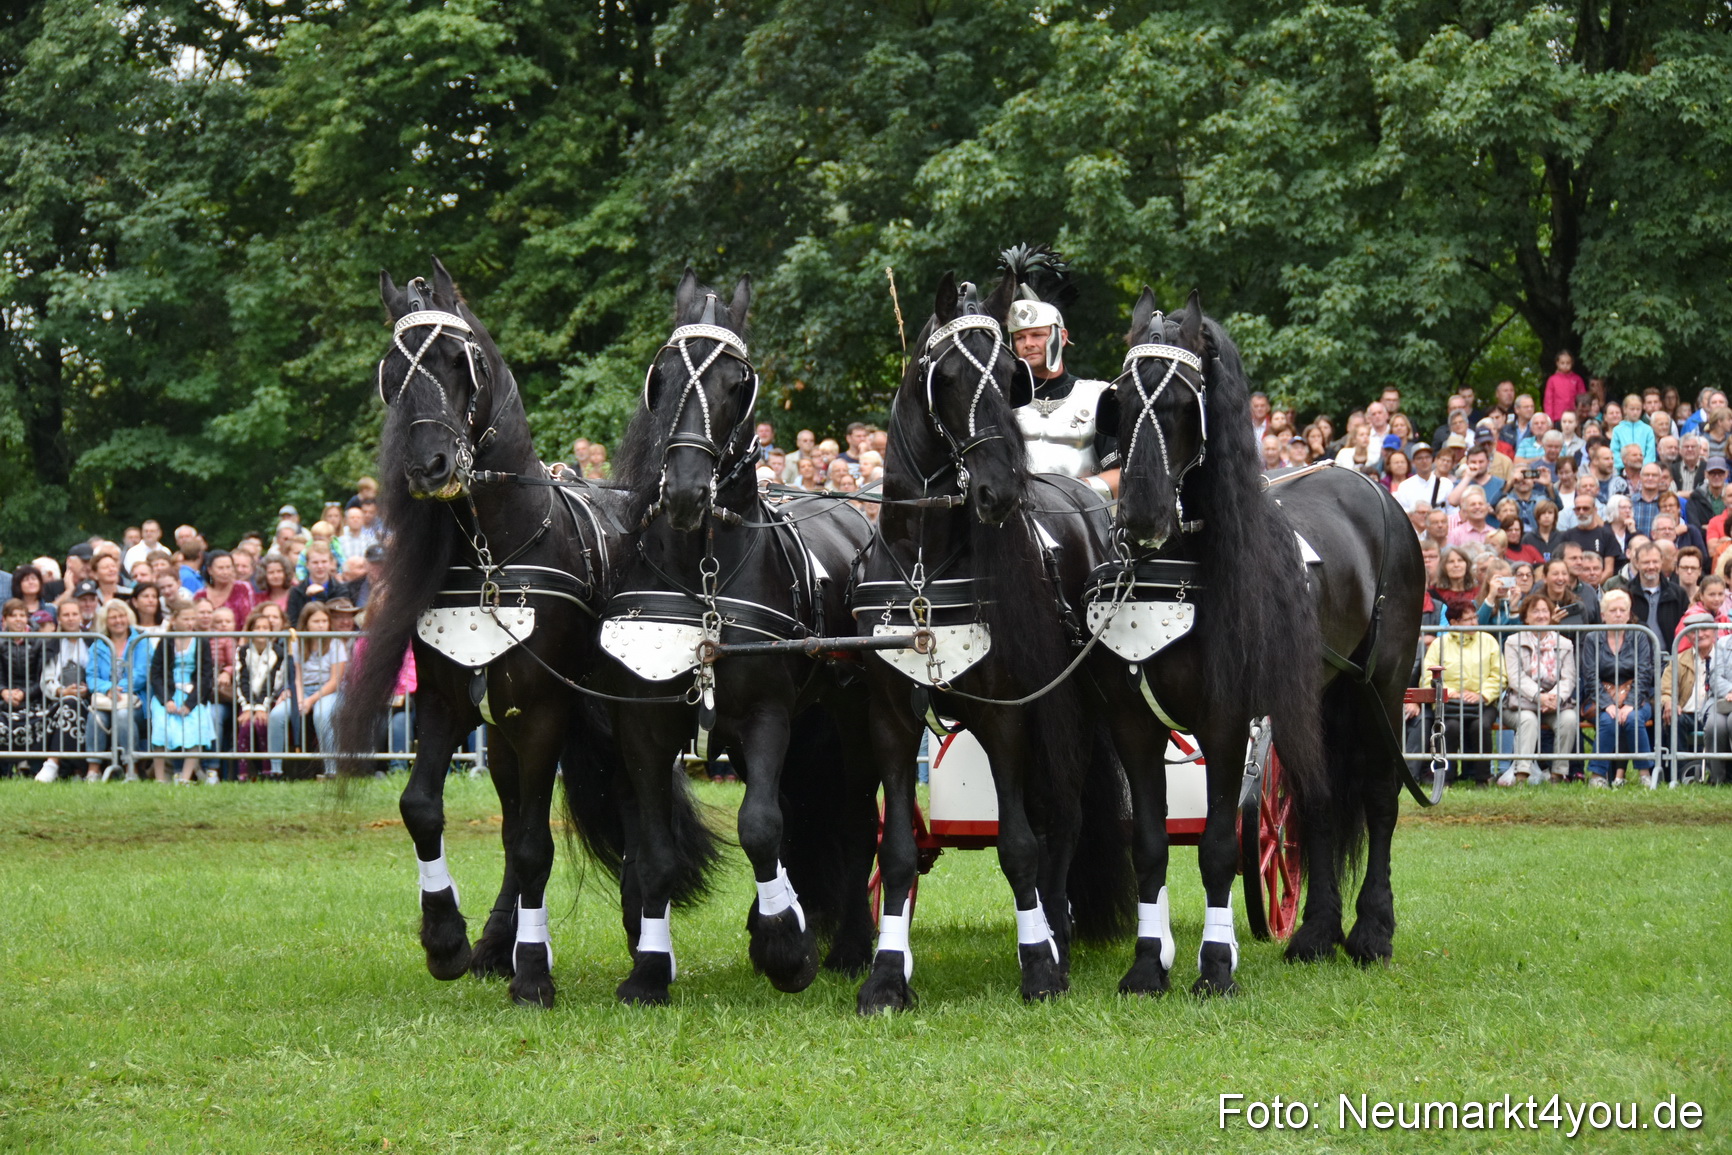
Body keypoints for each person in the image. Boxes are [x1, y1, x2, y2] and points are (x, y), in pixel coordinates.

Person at [1002, 260, 1119, 499]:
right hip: (1017, 522)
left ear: (1061, 337)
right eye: (1020, 337)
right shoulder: (1003, 399)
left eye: (1037, 335)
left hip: (1085, 524)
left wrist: (1074, 493)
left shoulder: (1099, 396)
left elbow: (1122, 474)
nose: (1029, 344)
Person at [1579, 588, 1656, 787]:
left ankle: (1645, 775)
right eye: (1613, 610)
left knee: (1632, 719)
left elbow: (1644, 673)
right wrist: (1607, 704)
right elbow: (1590, 676)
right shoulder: (1592, 639)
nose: (1619, 614)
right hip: (1602, 698)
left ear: (1629, 614)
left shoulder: (1639, 636)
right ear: (1603, 615)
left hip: (1636, 698)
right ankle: (1597, 776)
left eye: (1623, 610)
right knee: (1607, 720)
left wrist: (1630, 704)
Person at [1423, 599, 1504, 786]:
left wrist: (1482, 694)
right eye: (1468, 619)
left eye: (1474, 617)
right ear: (1454, 623)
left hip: (1482, 702)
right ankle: (1445, 778)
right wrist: (1450, 693)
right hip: (1449, 703)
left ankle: (1482, 779)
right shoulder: (1438, 645)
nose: (1474, 622)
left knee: (1481, 727)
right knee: (1449, 727)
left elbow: (1499, 675)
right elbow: (1428, 675)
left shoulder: (1488, 641)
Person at [1500, 594, 1578, 785]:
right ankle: (1522, 775)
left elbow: (1568, 678)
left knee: (1568, 719)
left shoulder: (1565, 644)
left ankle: (1558, 775)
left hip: (1553, 703)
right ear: (1526, 617)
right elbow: (1515, 677)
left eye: (1545, 611)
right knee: (1528, 719)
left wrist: (1552, 697)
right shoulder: (1512, 642)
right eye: (1536, 611)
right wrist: (1539, 696)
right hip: (1520, 703)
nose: (1541, 615)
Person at [268, 602, 347, 778]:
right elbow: (296, 676)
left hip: (328, 692)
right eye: (316, 621)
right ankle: (275, 770)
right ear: (306, 623)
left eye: (324, 621)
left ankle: (331, 769)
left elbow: (335, 680)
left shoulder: (335, 644)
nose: (321, 625)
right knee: (276, 715)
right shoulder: (297, 643)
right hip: (302, 690)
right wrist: (300, 698)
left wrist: (311, 701)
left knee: (322, 714)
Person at [148, 599, 217, 784]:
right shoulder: (166, 641)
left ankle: (185, 778)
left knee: (196, 723)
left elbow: (205, 675)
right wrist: (166, 700)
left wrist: (190, 703)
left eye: (192, 619)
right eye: (185, 619)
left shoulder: (201, 642)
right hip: (168, 692)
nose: (189, 623)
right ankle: (160, 778)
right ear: (174, 620)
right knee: (161, 724)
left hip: (192, 693)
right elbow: (156, 673)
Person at [83, 598, 151, 782]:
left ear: (128, 618)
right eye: (113, 617)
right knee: (94, 716)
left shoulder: (141, 641)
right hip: (107, 699)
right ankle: (93, 770)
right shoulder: (98, 644)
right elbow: (91, 676)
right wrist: (108, 689)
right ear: (106, 621)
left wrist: (122, 689)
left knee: (122, 715)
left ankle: (131, 769)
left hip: (136, 700)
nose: (118, 621)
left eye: (121, 616)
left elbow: (142, 672)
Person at [35, 599, 92, 783]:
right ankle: (69, 768)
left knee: (71, 706)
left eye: (74, 614)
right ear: (59, 618)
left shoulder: (93, 641)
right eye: (66, 615)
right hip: (57, 701)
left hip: (89, 700)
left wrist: (87, 689)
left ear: (81, 616)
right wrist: (61, 691)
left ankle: (53, 763)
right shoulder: (53, 644)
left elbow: (101, 673)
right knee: (68, 706)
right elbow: (47, 679)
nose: (71, 618)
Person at [234, 603, 288, 781]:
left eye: (265, 627)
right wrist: (248, 707)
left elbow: (273, 682)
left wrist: (260, 707)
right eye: (257, 627)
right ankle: (243, 772)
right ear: (249, 630)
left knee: (262, 724)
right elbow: (242, 680)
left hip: (268, 702)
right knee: (246, 726)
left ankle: (268, 770)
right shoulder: (242, 652)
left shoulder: (278, 653)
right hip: (247, 702)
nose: (261, 631)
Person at [1626, 541, 1687, 644]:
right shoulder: (1626, 594)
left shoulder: (1678, 594)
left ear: (1661, 561)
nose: (1651, 566)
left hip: (1671, 657)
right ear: (1636, 563)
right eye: (1646, 562)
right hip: (1635, 658)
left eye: (1655, 562)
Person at [1429, 546, 1480, 625]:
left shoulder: (1478, 591)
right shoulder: (1433, 593)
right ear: (1443, 567)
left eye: (1460, 560)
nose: (1456, 565)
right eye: (1451, 562)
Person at [1543, 350, 1586, 422]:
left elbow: (1583, 398)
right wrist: (1550, 418)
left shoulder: (1577, 379)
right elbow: (1548, 401)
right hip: (1558, 417)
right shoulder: (1552, 380)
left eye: (1568, 363)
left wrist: (1581, 414)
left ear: (1572, 363)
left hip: (1574, 416)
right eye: (1562, 363)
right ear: (1557, 363)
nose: (1565, 365)